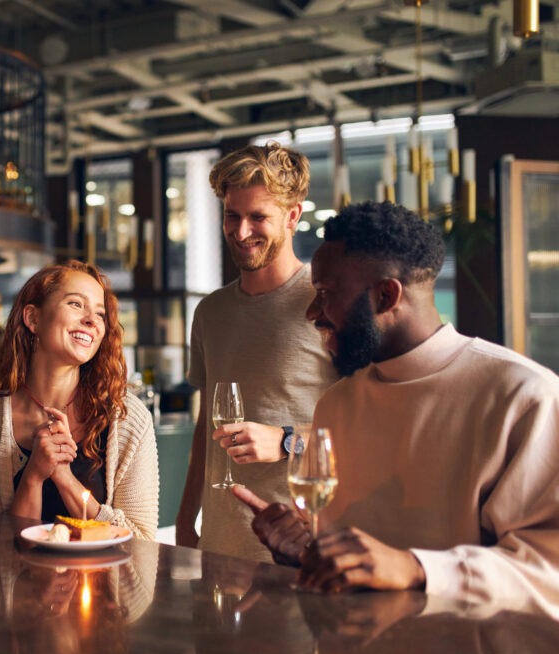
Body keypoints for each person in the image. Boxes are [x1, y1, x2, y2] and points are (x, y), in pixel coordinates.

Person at [234, 201, 559, 616]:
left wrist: (415, 568)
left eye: (325, 294)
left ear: (387, 295)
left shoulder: (523, 397)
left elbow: (550, 570)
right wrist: (304, 551)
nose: (312, 313)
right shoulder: (337, 404)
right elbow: (354, 559)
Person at [175, 142, 337, 560]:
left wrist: (286, 442)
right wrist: (184, 518)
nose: (241, 231)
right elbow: (204, 427)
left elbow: (368, 429)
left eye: (258, 217)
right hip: (218, 544)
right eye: (232, 215)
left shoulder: (327, 303)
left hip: (299, 549)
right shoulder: (211, 312)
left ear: (293, 215)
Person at [0, 260, 158, 539]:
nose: (92, 320)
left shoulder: (128, 416)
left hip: (105, 582)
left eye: (100, 313)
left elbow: (142, 543)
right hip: (20, 582)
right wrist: (33, 475)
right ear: (33, 319)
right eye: (76, 304)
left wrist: (64, 478)